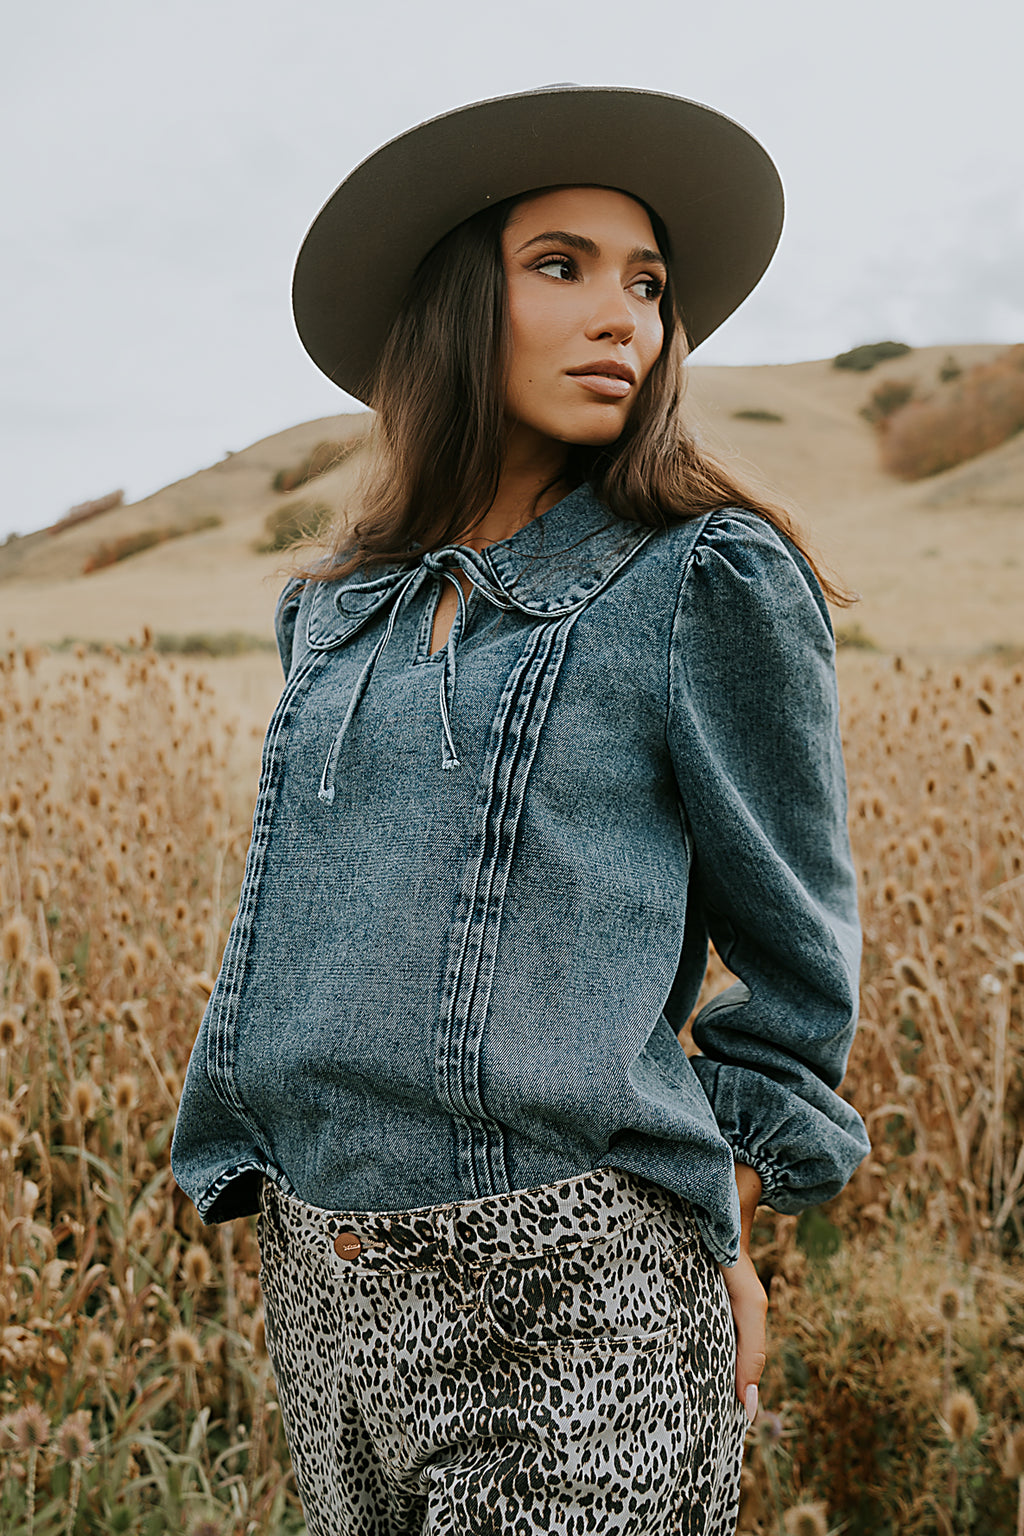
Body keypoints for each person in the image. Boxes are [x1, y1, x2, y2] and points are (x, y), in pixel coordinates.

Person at [171, 84, 870, 1535]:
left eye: (649, 283)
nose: (626, 315)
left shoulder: (703, 581)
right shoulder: (331, 617)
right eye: (562, 265)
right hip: (325, 1288)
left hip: (578, 1300)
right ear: (451, 304)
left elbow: (798, 966)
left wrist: (701, 1220)